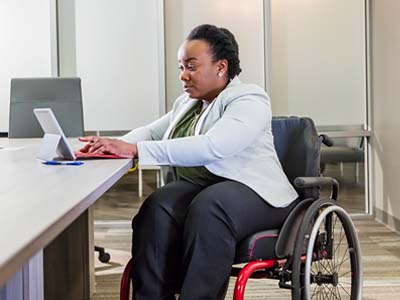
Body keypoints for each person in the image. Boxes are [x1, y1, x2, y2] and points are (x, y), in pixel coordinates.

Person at [79, 24, 298, 300]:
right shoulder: (188, 103)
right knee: (158, 206)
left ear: (221, 67)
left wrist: (136, 150)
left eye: (191, 66)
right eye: (181, 66)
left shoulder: (249, 99)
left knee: (210, 207)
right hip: (209, 189)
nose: (183, 75)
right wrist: (111, 146)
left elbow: (214, 146)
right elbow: (151, 132)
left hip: (259, 194)